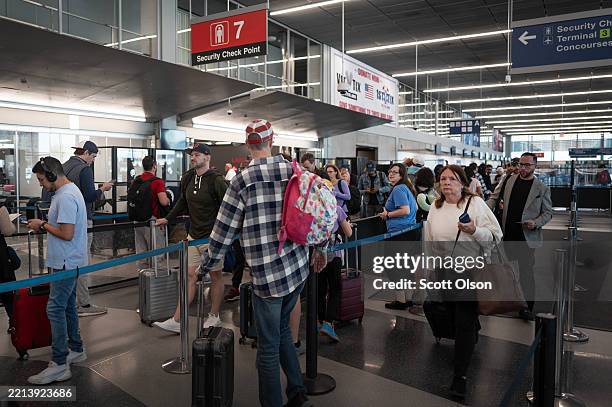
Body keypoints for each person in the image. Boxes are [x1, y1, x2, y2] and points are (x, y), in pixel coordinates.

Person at [199, 119, 327, 407]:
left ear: (247, 145)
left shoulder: (242, 180)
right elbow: (317, 213)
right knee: (282, 331)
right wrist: (321, 248)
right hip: (297, 269)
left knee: (267, 351)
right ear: (273, 141)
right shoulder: (294, 170)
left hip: (267, 279)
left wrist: (205, 265)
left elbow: (223, 232)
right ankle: (297, 391)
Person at [425, 164, 502, 398]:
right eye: (443, 178)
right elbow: (428, 238)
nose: (446, 182)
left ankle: (460, 376)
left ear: (463, 182)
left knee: (463, 322)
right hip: (443, 272)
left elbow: (496, 236)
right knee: (450, 315)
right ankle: (472, 332)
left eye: (452, 178)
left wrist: (474, 230)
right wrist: (428, 268)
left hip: (469, 272)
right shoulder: (435, 207)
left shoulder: (475, 204)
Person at [153, 143, 228, 333]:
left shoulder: (217, 180)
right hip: (193, 236)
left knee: (215, 276)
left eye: (196, 154)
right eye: (191, 155)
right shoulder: (188, 177)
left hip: (212, 238)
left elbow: (227, 207)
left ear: (207, 157)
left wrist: (224, 234)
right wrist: (168, 218)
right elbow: (182, 202)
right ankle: (177, 320)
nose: (193, 158)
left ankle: (214, 316)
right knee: (190, 276)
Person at [27, 157, 88, 384]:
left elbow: (67, 233)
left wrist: (41, 225)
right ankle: (76, 347)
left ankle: (60, 363)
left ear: (52, 175)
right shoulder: (67, 193)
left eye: (42, 179)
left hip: (65, 261)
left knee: (55, 309)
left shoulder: (66, 197)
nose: (41, 184)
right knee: (68, 306)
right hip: (68, 260)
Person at [487, 152, 552, 320]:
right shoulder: (508, 180)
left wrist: (535, 222)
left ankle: (527, 306)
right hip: (507, 233)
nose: (523, 168)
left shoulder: (541, 188)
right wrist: (482, 211)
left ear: (535, 166)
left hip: (526, 237)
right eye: (521, 164)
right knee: (507, 270)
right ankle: (510, 300)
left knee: (526, 272)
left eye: (527, 165)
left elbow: (548, 213)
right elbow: (494, 198)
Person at [63, 141, 112, 317]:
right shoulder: (84, 170)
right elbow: (89, 196)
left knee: (68, 263)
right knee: (82, 263)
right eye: (92, 156)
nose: (92, 161)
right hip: (82, 221)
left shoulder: (64, 167)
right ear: (86, 153)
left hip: (65, 222)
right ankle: (83, 304)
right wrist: (102, 189)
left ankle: (68, 302)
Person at [379, 163, 418, 310]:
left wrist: (387, 214)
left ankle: (400, 301)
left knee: (394, 267)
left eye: (395, 172)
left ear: (402, 175)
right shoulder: (407, 188)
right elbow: (415, 208)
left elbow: (405, 210)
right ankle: (408, 298)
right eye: (390, 172)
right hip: (409, 232)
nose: (391, 174)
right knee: (405, 267)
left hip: (399, 233)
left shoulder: (398, 189)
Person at [318, 202, 353, 342]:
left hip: (316, 255)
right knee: (335, 290)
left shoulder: (312, 207)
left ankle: (319, 321)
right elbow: (348, 233)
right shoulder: (336, 209)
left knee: (319, 290)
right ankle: (328, 323)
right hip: (334, 255)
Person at [132, 156, 170, 268]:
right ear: (154, 166)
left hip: (137, 220)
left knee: (141, 253)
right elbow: (163, 202)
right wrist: (168, 199)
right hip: (152, 221)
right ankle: (155, 281)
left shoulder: (137, 180)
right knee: (156, 252)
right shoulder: (157, 182)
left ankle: (143, 280)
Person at [0, 205, 18, 331]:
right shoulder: (0, 209)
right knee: (7, 294)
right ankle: (14, 322)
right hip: (1, 260)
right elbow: (8, 230)